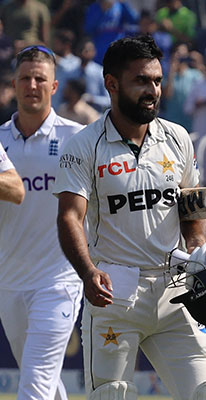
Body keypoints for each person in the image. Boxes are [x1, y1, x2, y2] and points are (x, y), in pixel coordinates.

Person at [54, 35, 206, 400]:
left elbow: (192, 203)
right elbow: (70, 216)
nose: (153, 90)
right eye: (141, 81)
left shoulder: (178, 137)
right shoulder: (84, 145)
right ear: (111, 83)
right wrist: (88, 272)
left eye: (157, 80)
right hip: (114, 294)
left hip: (175, 291)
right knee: (112, 395)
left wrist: (197, 246)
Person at [0, 45, 84, 400]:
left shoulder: (78, 138)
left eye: (40, 79)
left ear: (54, 87)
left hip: (59, 281)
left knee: (34, 386)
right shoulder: (1, 138)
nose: (32, 85)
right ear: (14, 85)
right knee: (45, 384)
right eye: (25, 79)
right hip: (9, 283)